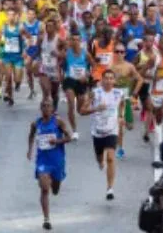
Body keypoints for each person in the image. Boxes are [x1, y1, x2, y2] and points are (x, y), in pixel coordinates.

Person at [27, 99, 74, 231]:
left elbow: (69, 137)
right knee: (44, 188)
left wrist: (57, 141)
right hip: (42, 160)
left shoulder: (58, 122)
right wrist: (29, 150)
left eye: (49, 106)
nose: (46, 108)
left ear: (52, 109)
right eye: (44, 106)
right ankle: (46, 219)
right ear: (40, 108)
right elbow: (31, 136)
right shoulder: (36, 124)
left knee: (55, 189)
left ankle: (56, 183)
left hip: (57, 160)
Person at [80, 69, 125, 201]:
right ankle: (100, 161)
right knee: (100, 159)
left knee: (111, 158)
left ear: (114, 81)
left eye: (112, 78)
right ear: (102, 80)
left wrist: (121, 117)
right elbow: (82, 111)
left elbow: (122, 105)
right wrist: (96, 108)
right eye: (106, 78)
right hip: (97, 131)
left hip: (112, 130)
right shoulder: (94, 93)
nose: (109, 81)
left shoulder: (119, 93)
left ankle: (110, 188)